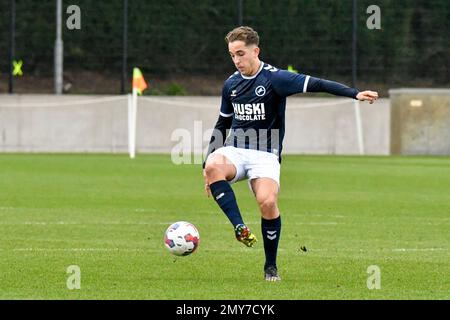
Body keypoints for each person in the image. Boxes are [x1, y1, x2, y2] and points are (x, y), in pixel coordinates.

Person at [202, 26, 378, 281]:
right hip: (236, 149)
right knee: (212, 165)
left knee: (268, 202)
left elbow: (317, 83)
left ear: (255, 51)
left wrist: (354, 93)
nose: (237, 60)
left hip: (266, 153)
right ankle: (239, 227)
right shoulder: (231, 84)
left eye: (240, 54)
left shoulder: (276, 78)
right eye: (232, 55)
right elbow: (222, 123)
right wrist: (206, 164)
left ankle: (270, 266)